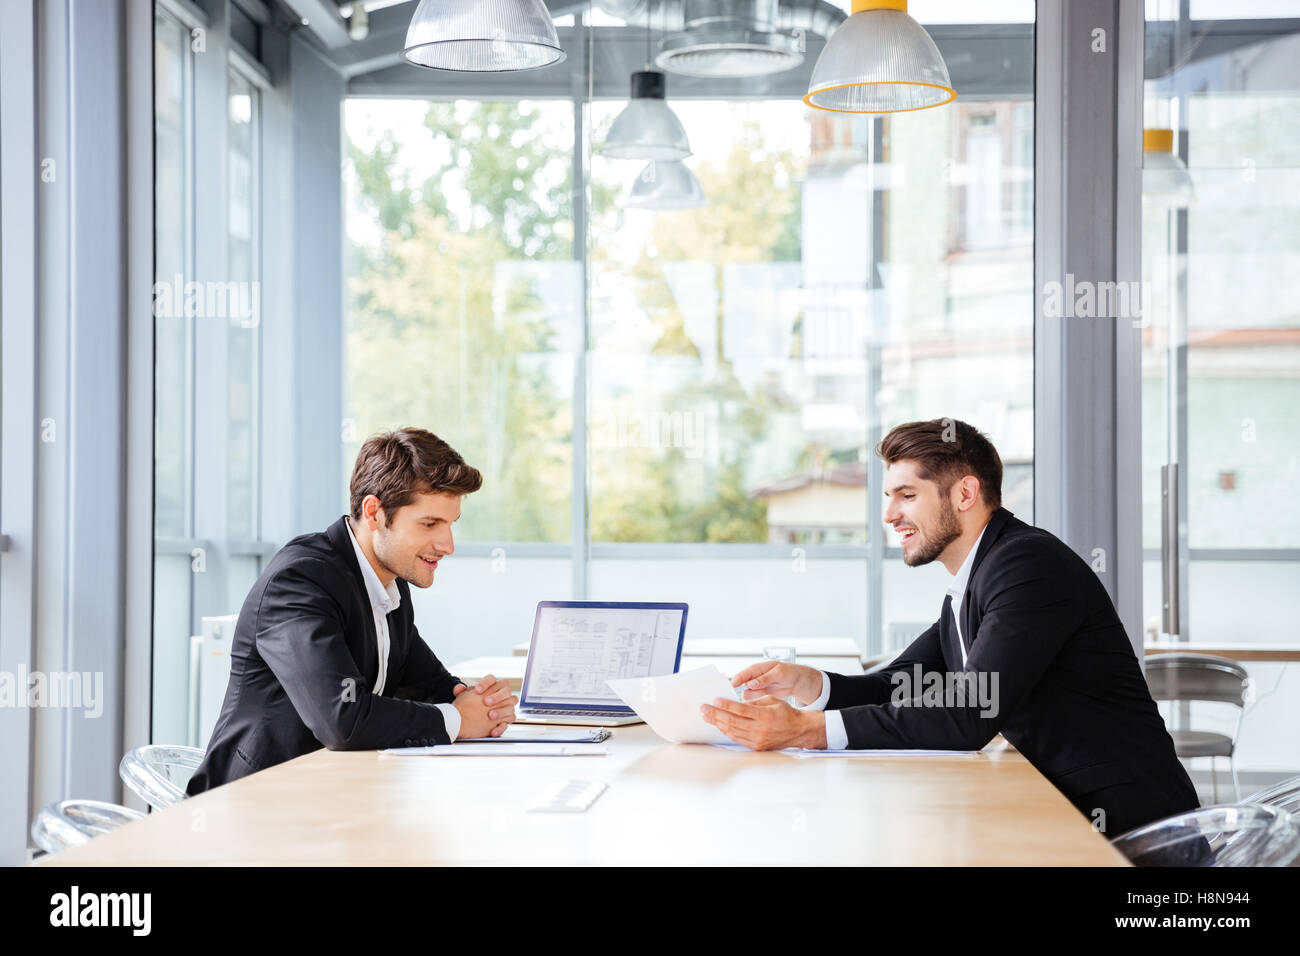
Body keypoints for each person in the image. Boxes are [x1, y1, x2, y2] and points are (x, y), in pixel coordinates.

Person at [701, 418, 1200, 837]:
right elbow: (901, 684)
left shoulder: (1026, 565)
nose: (890, 515)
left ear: (965, 492)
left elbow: (968, 716)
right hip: (1062, 811)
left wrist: (807, 731)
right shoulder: (975, 581)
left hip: (1131, 831)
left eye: (907, 495)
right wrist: (815, 687)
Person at [187, 428, 516, 795]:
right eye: (429, 524)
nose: (447, 545)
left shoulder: (388, 583)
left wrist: (478, 703)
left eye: (451, 524)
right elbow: (342, 719)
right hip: (249, 811)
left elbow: (426, 683)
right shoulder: (300, 580)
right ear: (374, 512)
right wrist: (458, 719)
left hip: (329, 799)